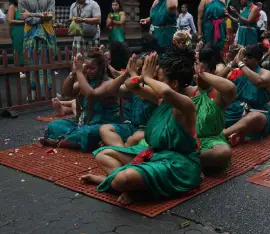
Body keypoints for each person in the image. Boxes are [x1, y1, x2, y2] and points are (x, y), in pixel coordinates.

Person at [81, 51, 201, 205]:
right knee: (103, 154)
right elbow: (131, 86)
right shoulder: (160, 100)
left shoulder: (186, 105)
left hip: (179, 165)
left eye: (160, 79)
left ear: (174, 84)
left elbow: (164, 90)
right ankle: (126, 185)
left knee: (123, 178)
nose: (154, 82)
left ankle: (116, 183)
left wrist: (148, 77)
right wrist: (138, 74)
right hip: (156, 155)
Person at [40, 48, 122, 152]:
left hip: (104, 123)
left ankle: (60, 142)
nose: (88, 71)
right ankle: (73, 140)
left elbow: (90, 95)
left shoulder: (110, 82)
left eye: (92, 68)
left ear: (101, 68)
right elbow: (67, 92)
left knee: (87, 133)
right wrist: (73, 73)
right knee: (53, 125)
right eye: (86, 68)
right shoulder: (87, 80)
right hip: (84, 121)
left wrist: (79, 72)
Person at [186, 47, 236, 174]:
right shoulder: (191, 91)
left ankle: (186, 161)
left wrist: (203, 74)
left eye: (204, 71)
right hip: (191, 141)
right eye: (197, 71)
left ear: (212, 72)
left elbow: (231, 88)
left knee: (224, 152)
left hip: (212, 142)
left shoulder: (218, 93)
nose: (198, 74)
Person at [97, 54, 158, 149]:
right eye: (137, 68)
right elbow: (111, 90)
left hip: (149, 130)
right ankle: (122, 150)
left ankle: (121, 151)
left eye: (141, 67)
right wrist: (126, 73)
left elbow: (141, 94)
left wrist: (133, 73)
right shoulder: (135, 81)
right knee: (104, 129)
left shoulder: (157, 86)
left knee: (136, 138)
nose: (138, 70)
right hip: (132, 127)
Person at [224, 44, 270, 145]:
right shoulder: (237, 72)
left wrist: (241, 64)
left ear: (258, 60)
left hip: (257, 112)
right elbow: (217, 80)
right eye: (245, 56)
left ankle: (223, 134)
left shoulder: (266, 73)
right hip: (234, 110)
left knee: (255, 117)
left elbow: (258, 82)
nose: (245, 59)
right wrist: (231, 64)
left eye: (249, 57)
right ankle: (237, 134)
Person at [19, 0, 57, 100]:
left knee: (48, 61)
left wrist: (31, 14)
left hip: (47, 32)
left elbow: (50, 15)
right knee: (31, 62)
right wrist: (42, 18)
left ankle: (50, 90)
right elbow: (26, 19)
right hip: (30, 32)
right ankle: (33, 90)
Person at [7, 0, 24, 66]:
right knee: (18, 49)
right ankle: (19, 69)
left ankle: (26, 69)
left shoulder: (24, 7)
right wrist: (23, 22)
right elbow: (10, 20)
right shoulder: (12, 7)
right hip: (17, 31)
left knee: (25, 49)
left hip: (26, 30)